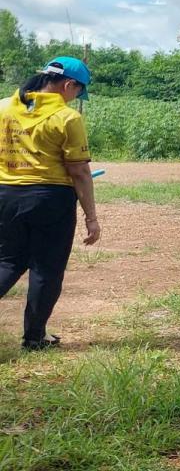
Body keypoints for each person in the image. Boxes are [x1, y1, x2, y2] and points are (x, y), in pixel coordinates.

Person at [0, 57, 101, 351]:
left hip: (5, 195)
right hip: (50, 200)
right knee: (46, 269)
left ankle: (35, 335)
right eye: (78, 92)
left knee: (7, 262)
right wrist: (91, 218)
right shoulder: (67, 118)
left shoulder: (4, 106)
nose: (76, 98)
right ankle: (34, 337)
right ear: (68, 85)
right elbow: (80, 171)